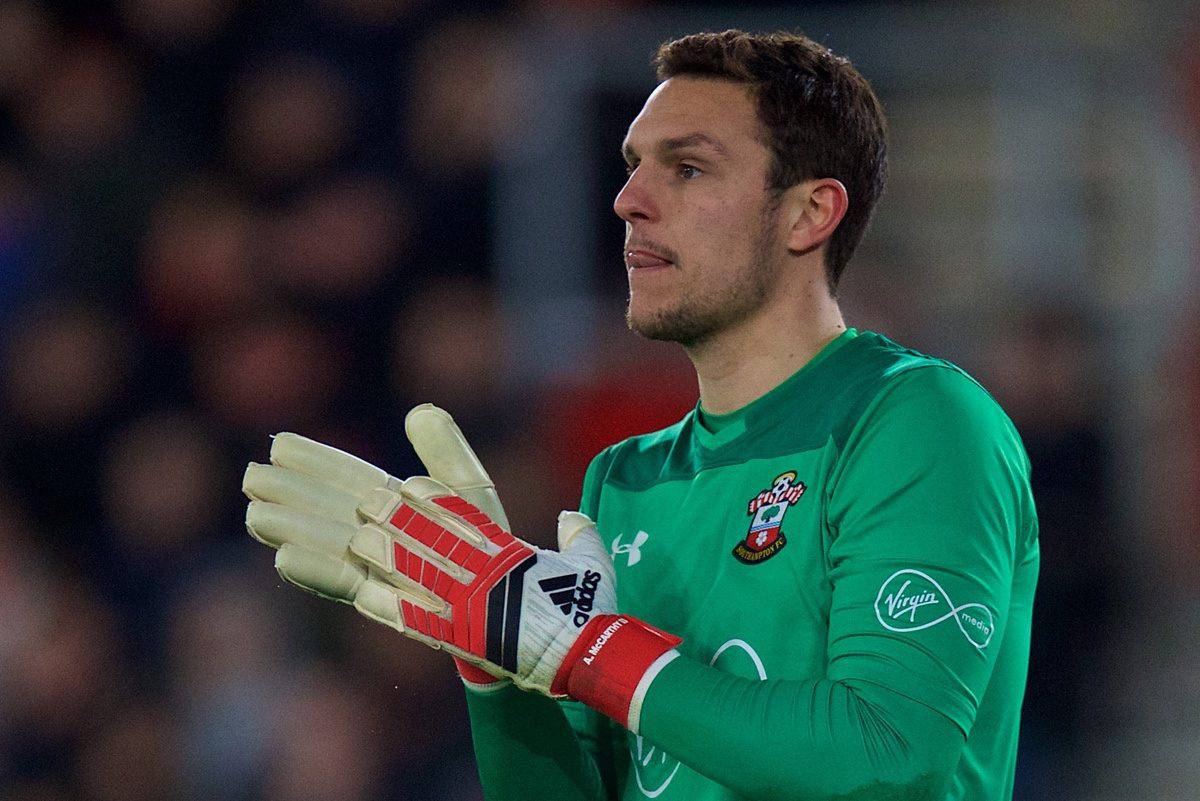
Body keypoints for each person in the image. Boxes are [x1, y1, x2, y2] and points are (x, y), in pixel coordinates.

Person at [242, 29, 1038, 801]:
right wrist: (492, 653)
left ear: (809, 213)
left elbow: (889, 757)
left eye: (688, 168)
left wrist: (588, 649)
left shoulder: (916, 419)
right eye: (632, 168)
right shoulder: (625, 479)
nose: (628, 200)